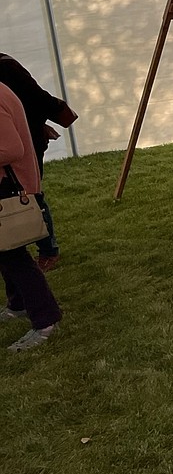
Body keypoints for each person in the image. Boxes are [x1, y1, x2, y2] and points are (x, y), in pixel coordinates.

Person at [0, 53, 77, 272]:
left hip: (23, 141)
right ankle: (15, 245)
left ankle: (48, 250)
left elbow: (35, 98)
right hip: (12, 139)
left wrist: (50, 117)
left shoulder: (6, 66)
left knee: (31, 194)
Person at [0, 81, 61, 351]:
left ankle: (46, 319)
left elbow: (12, 148)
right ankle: (18, 303)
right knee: (5, 250)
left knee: (13, 255)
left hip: (9, 188)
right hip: (11, 185)